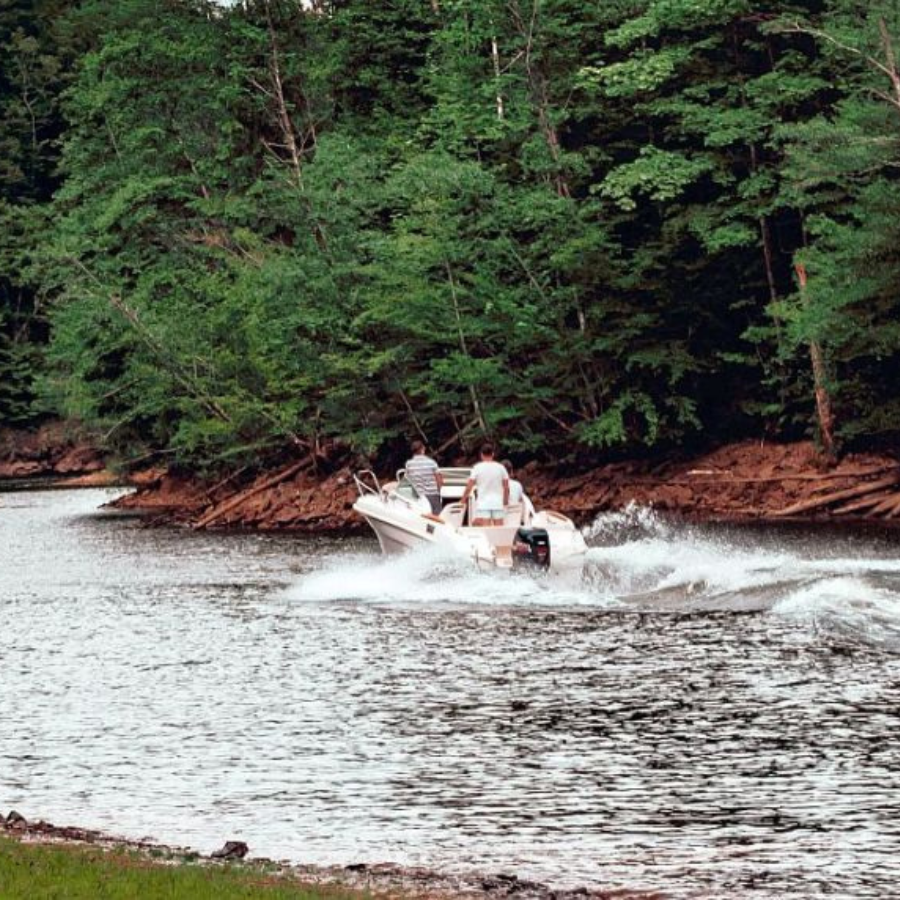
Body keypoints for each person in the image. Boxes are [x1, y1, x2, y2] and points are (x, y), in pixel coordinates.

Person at [460, 442, 509, 526]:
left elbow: (469, 487)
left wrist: (462, 500)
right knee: (499, 529)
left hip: (483, 504)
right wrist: (505, 501)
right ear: (493, 454)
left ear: (481, 454)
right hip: (497, 503)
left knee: (486, 529)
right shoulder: (501, 468)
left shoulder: (477, 468)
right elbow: (506, 487)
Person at [405, 439, 443, 515]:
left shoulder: (409, 464)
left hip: (417, 496)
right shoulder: (432, 462)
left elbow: (408, 480)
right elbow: (439, 480)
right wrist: (438, 492)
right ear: (423, 449)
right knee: (436, 517)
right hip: (432, 495)